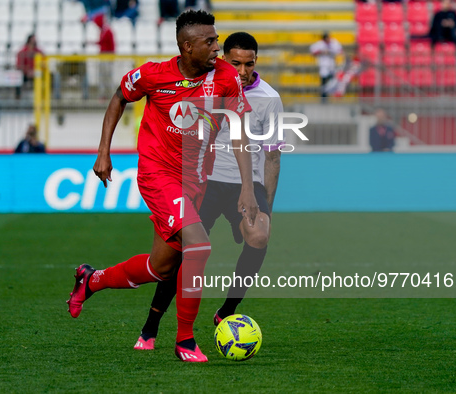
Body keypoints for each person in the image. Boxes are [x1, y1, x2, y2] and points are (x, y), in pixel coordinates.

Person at [66, 10, 258, 363]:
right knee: (199, 246)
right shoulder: (154, 74)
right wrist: (103, 151)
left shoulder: (226, 78)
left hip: (195, 181)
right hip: (157, 174)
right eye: (210, 42)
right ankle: (185, 340)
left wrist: (247, 186)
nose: (218, 47)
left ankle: (91, 280)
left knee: (161, 268)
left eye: (217, 40)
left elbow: (240, 132)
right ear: (187, 47)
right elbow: (119, 97)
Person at [133, 32, 282, 351]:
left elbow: (272, 155)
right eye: (235, 63)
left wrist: (266, 204)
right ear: (223, 59)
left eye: (249, 63)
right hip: (205, 182)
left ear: (256, 61)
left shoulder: (270, 99)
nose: (242, 71)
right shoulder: (204, 87)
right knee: (179, 255)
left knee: (259, 236)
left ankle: (227, 311)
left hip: (246, 184)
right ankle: (151, 327)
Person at [309, 32, 342, 101]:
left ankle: (333, 96)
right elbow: (313, 51)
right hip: (323, 64)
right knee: (324, 81)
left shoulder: (333, 42)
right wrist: (322, 52)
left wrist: (330, 52)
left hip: (332, 64)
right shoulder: (320, 44)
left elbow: (339, 50)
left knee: (332, 81)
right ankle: (324, 97)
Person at [16, 34, 44, 100]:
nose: (35, 41)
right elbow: (19, 65)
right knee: (17, 78)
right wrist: (27, 71)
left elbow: (43, 63)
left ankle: (41, 97)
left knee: (42, 77)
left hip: (36, 73)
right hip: (25, 74)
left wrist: (34, 71)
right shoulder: (22, 52)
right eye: (33, 39)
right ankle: (18, 97)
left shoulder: (39, 52)